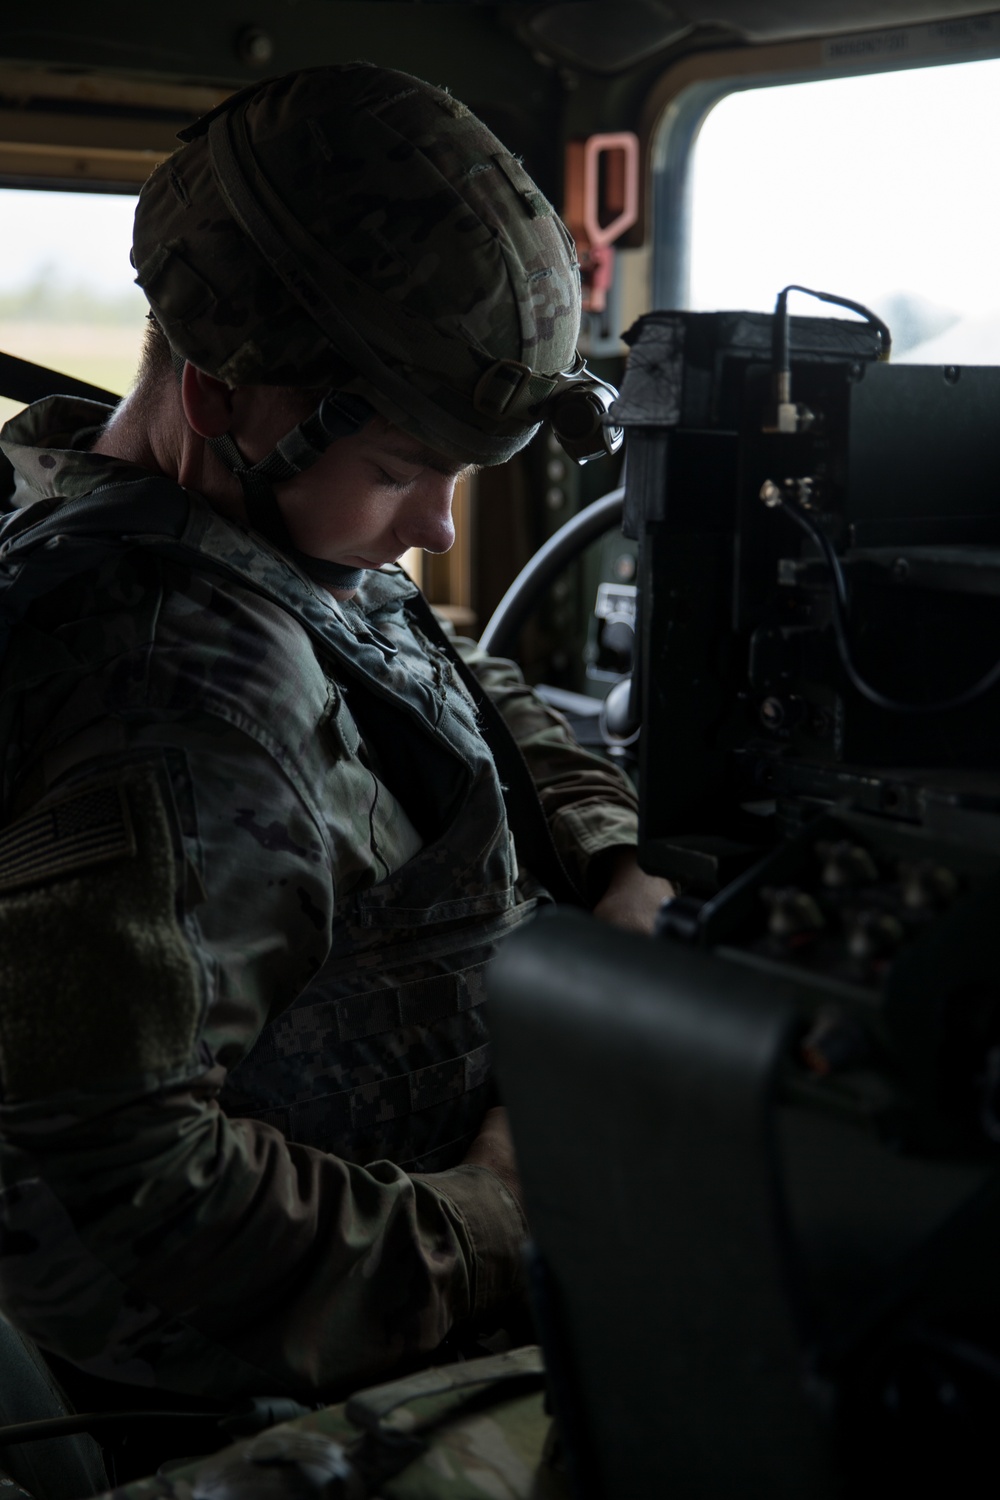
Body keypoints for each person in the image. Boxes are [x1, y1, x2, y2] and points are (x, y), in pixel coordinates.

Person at [0, 63, 669, 1408]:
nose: (430, 527)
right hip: (332, 1381)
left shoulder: (205, 522)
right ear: (220, 399)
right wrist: (495, 1216)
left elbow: (443, 670)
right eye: (398, 472)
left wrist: (610, 864)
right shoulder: (180, 699)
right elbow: (108, 1218)